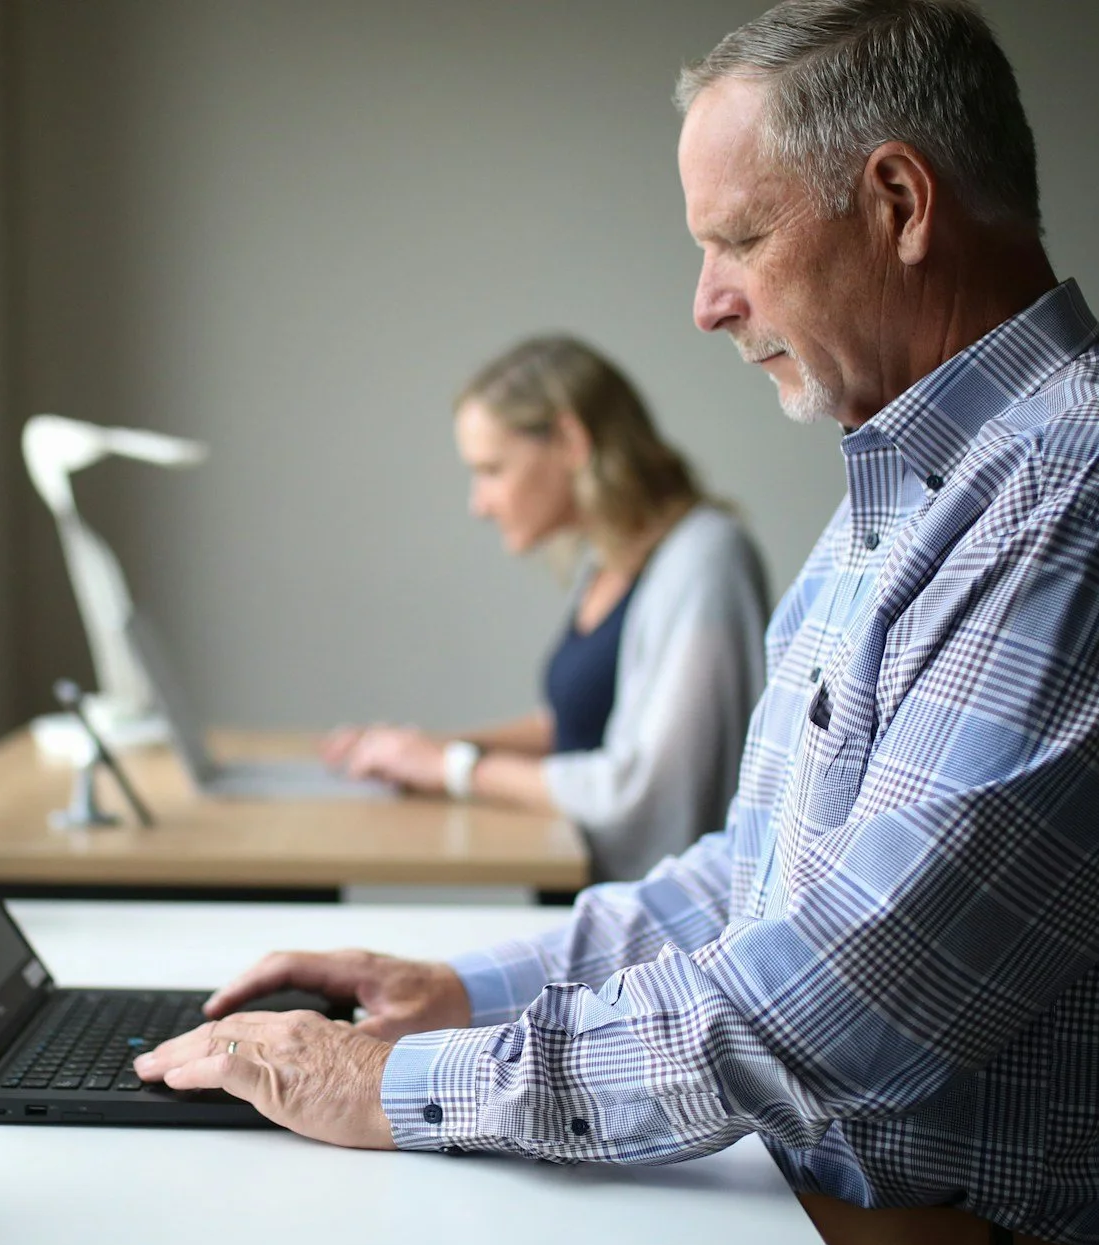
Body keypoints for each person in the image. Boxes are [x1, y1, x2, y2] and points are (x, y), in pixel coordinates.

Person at [136, 2, 1099, 1245]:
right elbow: (756, 884)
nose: (706, 302)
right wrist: (453, 989)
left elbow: (846, 1004)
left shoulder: (1090, 504)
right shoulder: (925, 483)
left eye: (739, 240)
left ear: (897, 201)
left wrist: (390, 1088)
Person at [324, 337, 771, 880]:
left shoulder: (706, 558)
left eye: (491, 470)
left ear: (569, 441)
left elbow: (646, 789)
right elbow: (578, 725)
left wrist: (454, 768)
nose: (478, 503)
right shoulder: (609, 560)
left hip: (652, 929)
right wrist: (420, 749)